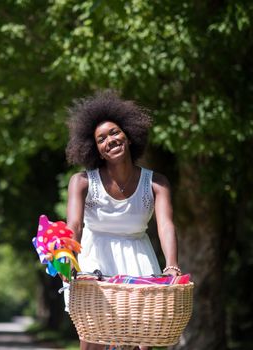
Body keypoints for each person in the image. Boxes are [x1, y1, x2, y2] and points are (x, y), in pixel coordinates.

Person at [64, 90, 180, 350]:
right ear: (97, 151)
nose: (110, 140)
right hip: (94, 257)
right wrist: (69, 261)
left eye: (115, 132)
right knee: (92, 336)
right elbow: (74, 225)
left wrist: (171, 265)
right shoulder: (82, 182)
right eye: (101, 139)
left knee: (141, 340)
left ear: (128, 135)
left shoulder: (156, 183)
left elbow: (165, 225)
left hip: (138, 256)